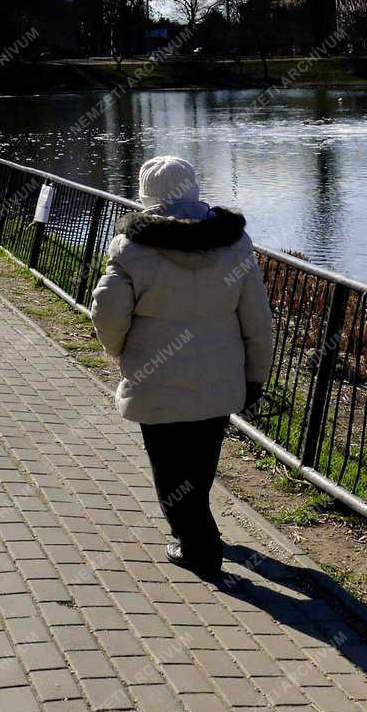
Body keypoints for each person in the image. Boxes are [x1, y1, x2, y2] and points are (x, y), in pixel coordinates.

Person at [90, 155, 273, 579]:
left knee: (169, 466)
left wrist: (120, 353)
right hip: (220, 377)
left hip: (156, 376)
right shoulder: (234, 244)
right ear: (193, 188)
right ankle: (199, 530)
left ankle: (197, 545)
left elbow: (106, 312)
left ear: (146, 194)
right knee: (201, 462)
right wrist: (256, 374)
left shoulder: (132, 248)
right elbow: (257, 320)